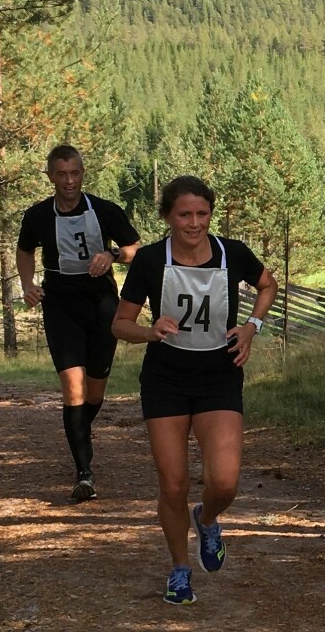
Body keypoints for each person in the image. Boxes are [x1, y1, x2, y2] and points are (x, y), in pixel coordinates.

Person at [111, 175, 278, 605]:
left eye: (202, 213)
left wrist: (251, 327)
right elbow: (120, 325)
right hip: (166, 379)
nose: (194, 222)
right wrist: (151, 331)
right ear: (167, 216)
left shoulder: (232, 253)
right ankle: (180, 569)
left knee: (224, 482)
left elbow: (268, 284)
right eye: (184, 214)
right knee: (173, 483)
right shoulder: (149, 260)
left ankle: (207, 519)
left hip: (218, 376)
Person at [16, 144, 140, 502]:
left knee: (95, 391)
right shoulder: (38, 215)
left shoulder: (104, 210)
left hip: (101, 304)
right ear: (51, 176)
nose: (69, 181)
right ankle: (84, 472)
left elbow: (135, 248)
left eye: (75, 173)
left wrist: (113, 254)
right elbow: (25, 250)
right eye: (62, 174)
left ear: (83, 174)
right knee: (73, 388)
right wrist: (28, 284)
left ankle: (80, 432)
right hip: (60, 305)